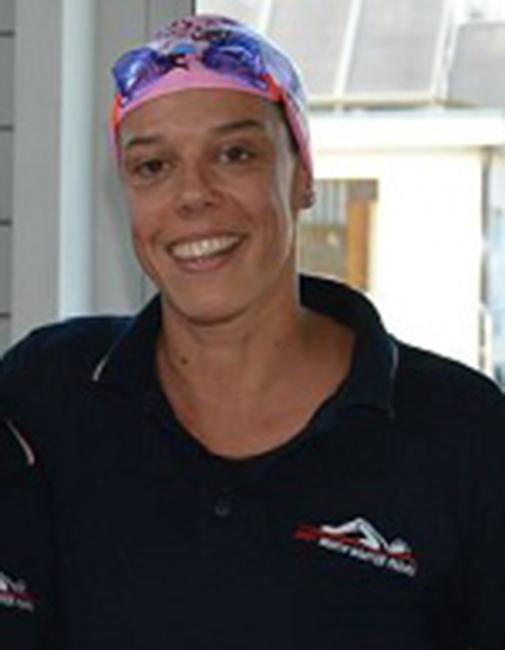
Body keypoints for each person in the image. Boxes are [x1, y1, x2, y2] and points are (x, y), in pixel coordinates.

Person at [1, 13, 504, 650]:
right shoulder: (45, 394)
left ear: (303, 176)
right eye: (152, 166)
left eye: (235, 154)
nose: (192, 195)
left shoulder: (462, 431)